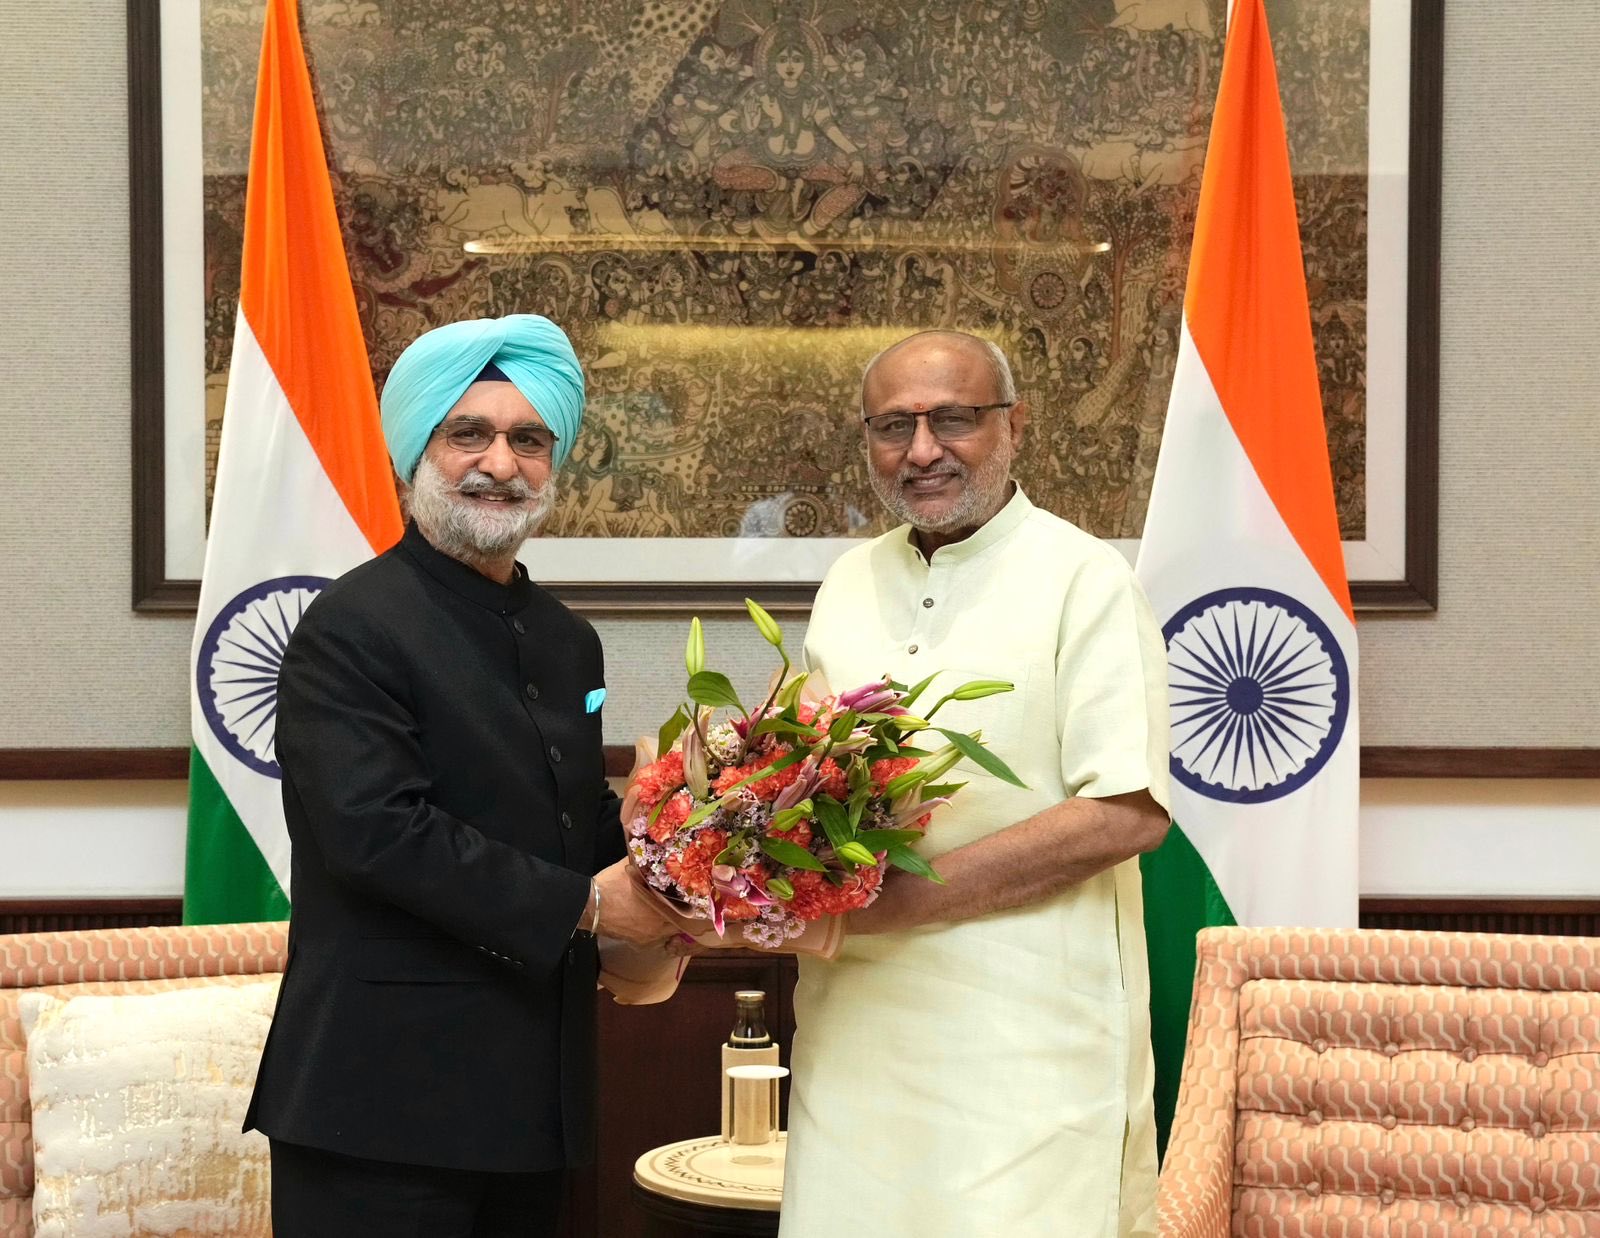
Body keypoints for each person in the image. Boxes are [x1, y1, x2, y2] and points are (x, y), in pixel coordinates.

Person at [244, 314, 668, 1238]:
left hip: (534, 1100)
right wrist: (589, 907)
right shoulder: (349, 628)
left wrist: (653, 822)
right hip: (380, 1110)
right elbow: (378, 833)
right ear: (415, 453)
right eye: (467, 433)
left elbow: (551, 825)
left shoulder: (566, 640)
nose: (500, 462)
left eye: (528, 439)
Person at [782, 330, 1172, 1237]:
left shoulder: (1087, 577)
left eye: (952, 419)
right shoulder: (848, 581)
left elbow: (1127, 812)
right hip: (856, 1037)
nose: (922, 451)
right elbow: (811, 786)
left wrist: (906, 905)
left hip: (1027, 1048)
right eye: (893, 427)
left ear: (1014, 427)